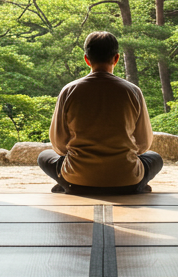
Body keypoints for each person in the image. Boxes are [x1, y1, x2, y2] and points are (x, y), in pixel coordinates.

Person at [37, 31, 164, 194]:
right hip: (127, 180)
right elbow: (144, 143)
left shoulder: (69, 90)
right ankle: (136, 185)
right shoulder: (133, 91)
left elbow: (59, 145)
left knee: (44, 156)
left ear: (86, 59)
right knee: (155, 158)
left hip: (77, 179)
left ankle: (67, 183)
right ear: (116, 58)